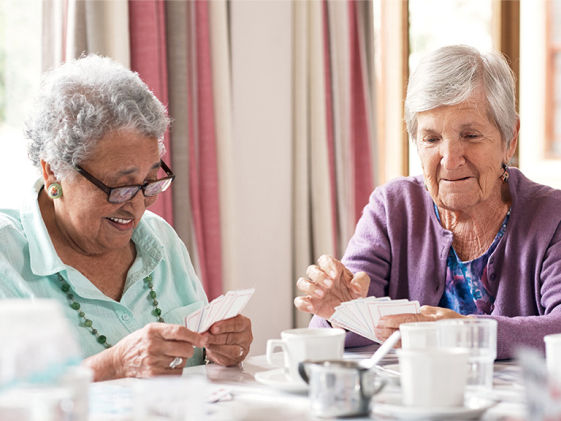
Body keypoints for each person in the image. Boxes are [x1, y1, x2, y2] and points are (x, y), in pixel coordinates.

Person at [294, 45, 561, 360]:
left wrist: (465, 332)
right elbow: (341, 330)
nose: (450, 160)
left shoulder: (551, 216)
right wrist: (336, 310)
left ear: (510, 138)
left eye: (471, 135)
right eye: (432, 139)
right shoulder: (393, 208)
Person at [0, 55, 252, 381]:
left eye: (149, 182)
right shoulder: (7, 257)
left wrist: (219, 352)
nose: (137, 206)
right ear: (53, 173)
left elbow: (196, 373)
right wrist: (113, 365)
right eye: (120, 186)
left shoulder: (160, 240)